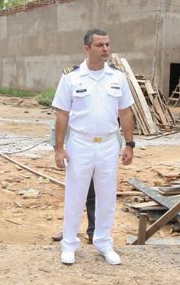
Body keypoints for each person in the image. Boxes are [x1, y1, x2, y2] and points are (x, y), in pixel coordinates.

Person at [53, 28, 135, 266]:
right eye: (100, 45)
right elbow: (62, 114)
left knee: (107, 196)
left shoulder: (117, 77)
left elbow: (126, 111)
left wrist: (129, 144)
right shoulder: (72, 77)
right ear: (87, 49)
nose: (106, 49)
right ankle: (69, 244)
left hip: (109, 143)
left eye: (108, 44)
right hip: (80, 143)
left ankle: (103, 242)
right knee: (75, 195)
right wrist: (59, 148)